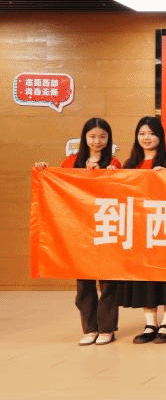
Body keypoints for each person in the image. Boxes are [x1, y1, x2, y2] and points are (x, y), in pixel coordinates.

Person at [35, 118, 122, 346]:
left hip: (105, 228)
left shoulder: (114, 163)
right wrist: (45, 170)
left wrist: (110, 174)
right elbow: (58, 186)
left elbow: (120, 191)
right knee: (84, 284)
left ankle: (107, 328)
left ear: (109, 139)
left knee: (108, 282)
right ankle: (90, 328)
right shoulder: (71, 162)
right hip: (78, 231)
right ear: (84, 138)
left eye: (102, 137)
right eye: (92, 136)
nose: (97, 141)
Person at [118, 116, 166, 345]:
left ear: (160, 136)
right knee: (145, 277)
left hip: (164, 227)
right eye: (142, 133)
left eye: (152, 133)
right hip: (139, 229)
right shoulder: (130, 163)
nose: (147, 138)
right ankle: (150, 323)